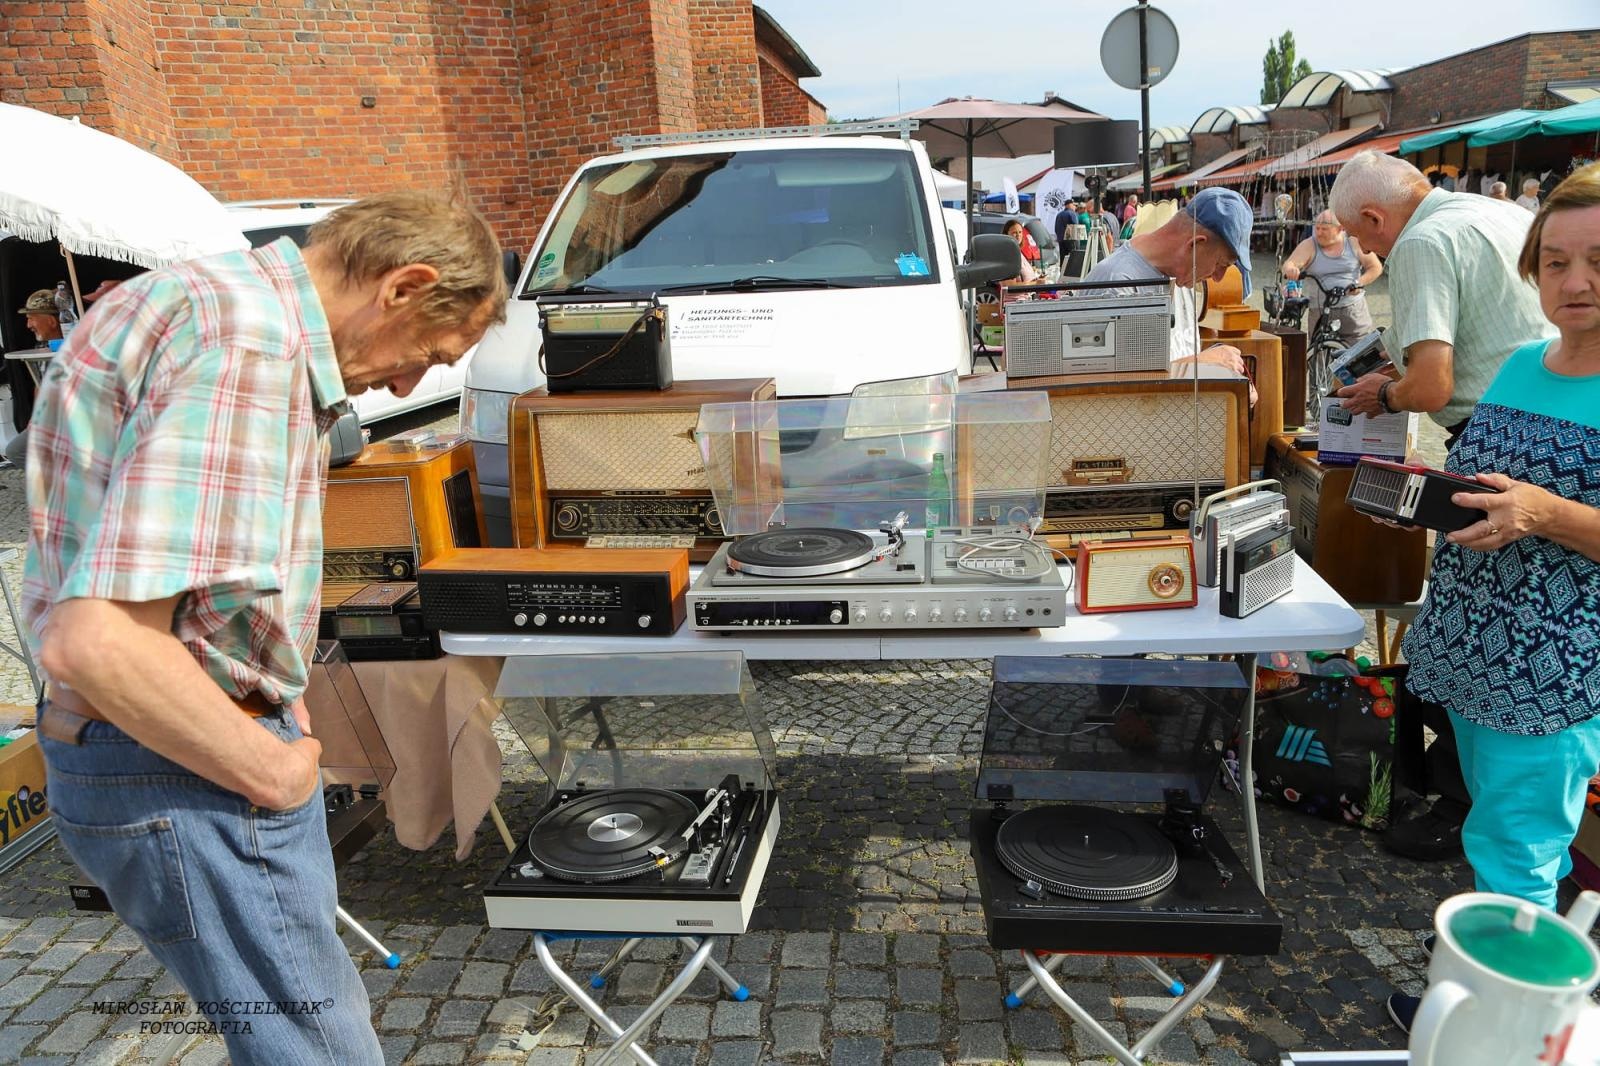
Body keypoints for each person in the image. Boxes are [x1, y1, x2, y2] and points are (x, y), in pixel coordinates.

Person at [24, 191, 507, 1065]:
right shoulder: (249, 349)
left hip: (151, 753)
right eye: (426, 357)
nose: (406, 387)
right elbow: (97, 640)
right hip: (185, 767)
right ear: (403, 285)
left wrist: (275, 690)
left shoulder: (196, 302)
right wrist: (275, 770)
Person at [1383, 161, 1600, 1034]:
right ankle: (1492, 1007)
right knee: (1498, 843)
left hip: (1550, 675)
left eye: (1597, 260)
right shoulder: (1518, 362)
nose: (1575, 281)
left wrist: (1542, 511)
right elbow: (1498, 485)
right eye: (1555, 261)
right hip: (1473, 652)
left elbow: (1539, 506)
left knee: (1517, 856)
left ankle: (1499, 1036)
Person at [1330, 151, 1556, 863]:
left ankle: (1462, 800)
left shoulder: (1424, 239)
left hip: (1495, 445)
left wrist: (1382, 394)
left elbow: (1431, 386)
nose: (1369, 252)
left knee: (1467, 622)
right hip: (1555, 428)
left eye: (1365, 238)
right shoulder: (1495, 210)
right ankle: (1486, 792)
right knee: (1524, 622)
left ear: (1374, 215)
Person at [1081, 186, 1255, 383]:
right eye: (1220, 264)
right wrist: (1204, 362)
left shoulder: (1181, 278)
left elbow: (1175, 361)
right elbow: (1114, 391)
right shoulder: (1117, 284)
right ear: (1195, 245)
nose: (1217, 277)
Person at [1280, 209, 1383, 345]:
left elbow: (1375, 267)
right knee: (1318, 347)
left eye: (1325, 229)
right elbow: (1290, 263)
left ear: (1340, 228)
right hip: (1321, 307)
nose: (1319, 233)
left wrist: (1360, 283)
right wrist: (1291, 269)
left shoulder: (1353, 242)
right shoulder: (1310, 245)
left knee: (1359, 348)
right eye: (1317, 228)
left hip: (1352, 307)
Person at [3, 290, 66, 468]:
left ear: (52, 321)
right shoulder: (41, 348)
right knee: (16, 450)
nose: (29, 325)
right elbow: (39, 385)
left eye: (32, 318)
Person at [1002, 220, 1039, 285]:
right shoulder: (1008, 255)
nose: (1018, 235)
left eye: (1020, 232)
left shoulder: (1017, 251)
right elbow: (1009, 285)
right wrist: (1036, 283)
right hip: (1020, 295)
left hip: (1029, 293)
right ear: (1006, 234)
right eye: (1014, 233)